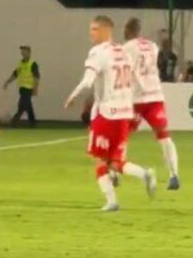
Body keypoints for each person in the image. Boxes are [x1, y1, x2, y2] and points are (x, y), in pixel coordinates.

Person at [64, 15, 156, 212]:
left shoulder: (98, 52)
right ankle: (144, 174)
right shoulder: (124, 51)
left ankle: (112, 201)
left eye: (95, 29)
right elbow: (135, 81)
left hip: (106, 113)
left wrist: (72, 96)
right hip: (124, 112)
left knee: (99, 160)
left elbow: (88, 81)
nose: (91, 33)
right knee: (115, 162)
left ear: (107, 30)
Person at [124, 18, 180, 190]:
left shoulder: (127, 48)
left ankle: (113, 173)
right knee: (164, 137)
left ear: (127, 31)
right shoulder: (153, 46)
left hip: (136, 99)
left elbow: (126, 71)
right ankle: (174, 175)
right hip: (155, 95)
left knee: (122, 136)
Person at [3, 45, 40, 126]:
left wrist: (35, 89)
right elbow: (15, 74)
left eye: (25, 51)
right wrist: (7, 82)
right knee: (27, 105)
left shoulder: (33, 64)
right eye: (22, 51)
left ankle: (14, 121)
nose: (23, 53)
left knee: (22, 104)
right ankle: (33, 122)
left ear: (29, 52)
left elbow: (36, 77)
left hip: (29, 88)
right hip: (22, 88)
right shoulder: (20, 63)